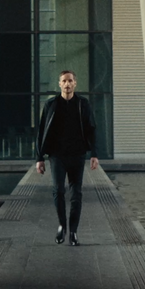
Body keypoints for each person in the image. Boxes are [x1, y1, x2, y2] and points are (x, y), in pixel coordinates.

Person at [34, 70, 98, 246]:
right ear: (59, 84)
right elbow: (41, 132)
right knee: (58, 191)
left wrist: (94, 154)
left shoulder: (83, 104)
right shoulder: (51, 105)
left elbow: (92, 129)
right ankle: (62, 226)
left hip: (78, 155)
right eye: (64, 81)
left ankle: (74, 231)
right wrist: (39, 157)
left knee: (76, 194)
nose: (67, 84)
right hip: (57, 156)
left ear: (75, 83)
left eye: (70, 81)